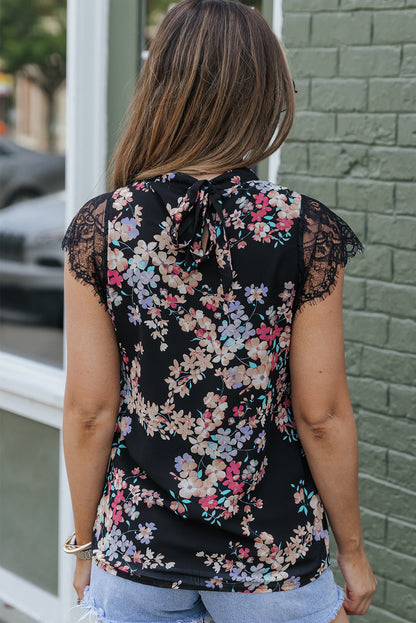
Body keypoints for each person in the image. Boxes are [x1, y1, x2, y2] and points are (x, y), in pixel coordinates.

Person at [61, 1, 377, 622]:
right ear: (262, 92)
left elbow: (90, 411)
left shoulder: (102, 228)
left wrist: (83, 548)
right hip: (272, 563)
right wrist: (354, 555)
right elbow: (322, 415)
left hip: (136, 555)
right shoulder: (302, 230)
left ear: (161, 88)